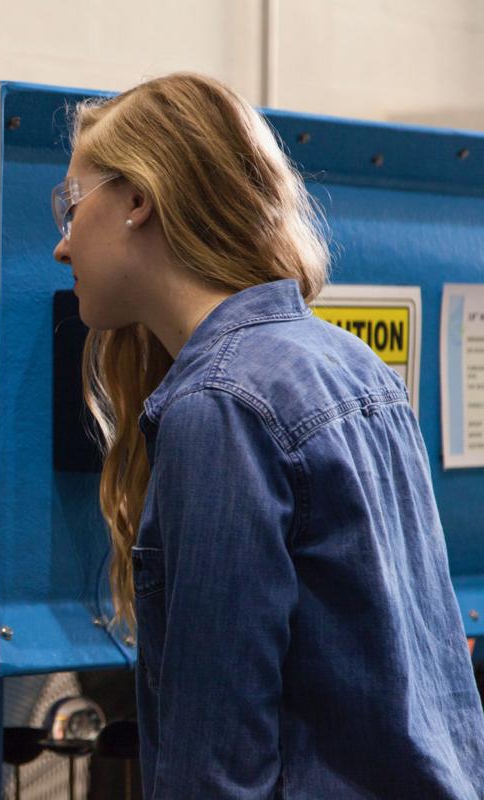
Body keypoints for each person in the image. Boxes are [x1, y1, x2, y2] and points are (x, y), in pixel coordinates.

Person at [52, 72, 484, 798]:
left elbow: (215, 760)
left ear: (137, 201)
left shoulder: (220, 408)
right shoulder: (353, 364)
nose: (62, 247)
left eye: (71, 206)